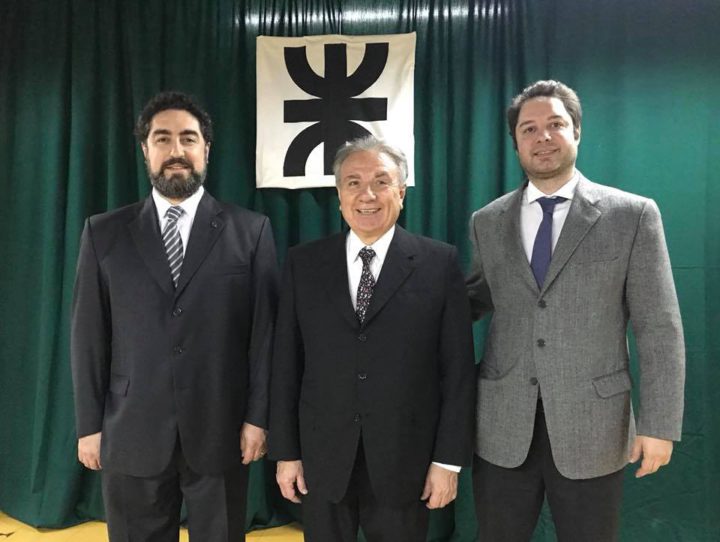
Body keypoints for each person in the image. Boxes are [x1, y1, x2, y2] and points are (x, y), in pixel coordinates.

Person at [466, 80, 685, 541]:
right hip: (503, 425)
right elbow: (472, 301)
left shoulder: (632, 215)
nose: (542, 137)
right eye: (529, 129)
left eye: (555, 125)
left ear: (577, 132)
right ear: (516, 141)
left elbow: (659, 329)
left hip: (594, 427)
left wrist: (660, 425)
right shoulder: (487, 221)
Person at [71, 91, 278, 542]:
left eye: (189, 138)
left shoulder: (251, 231)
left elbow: (264, 336)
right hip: (130, 429)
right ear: (145, 150)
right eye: (162, 139)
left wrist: (257, 418)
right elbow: (88, 337)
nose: (176, 151)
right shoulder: (103, 233)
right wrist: (89, 425)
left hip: (221, 429)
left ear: (207, 149)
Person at [269, 136, 475, 542]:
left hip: (406, 462)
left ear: (401, 192)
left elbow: (457, 372)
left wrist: (447, 462)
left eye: (382, 182)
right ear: (339, 195)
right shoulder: (304, 263)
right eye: (353, 183)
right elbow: (286, 364)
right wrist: (286, 453)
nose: (368, 195)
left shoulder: (439, 263)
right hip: (322, 461)